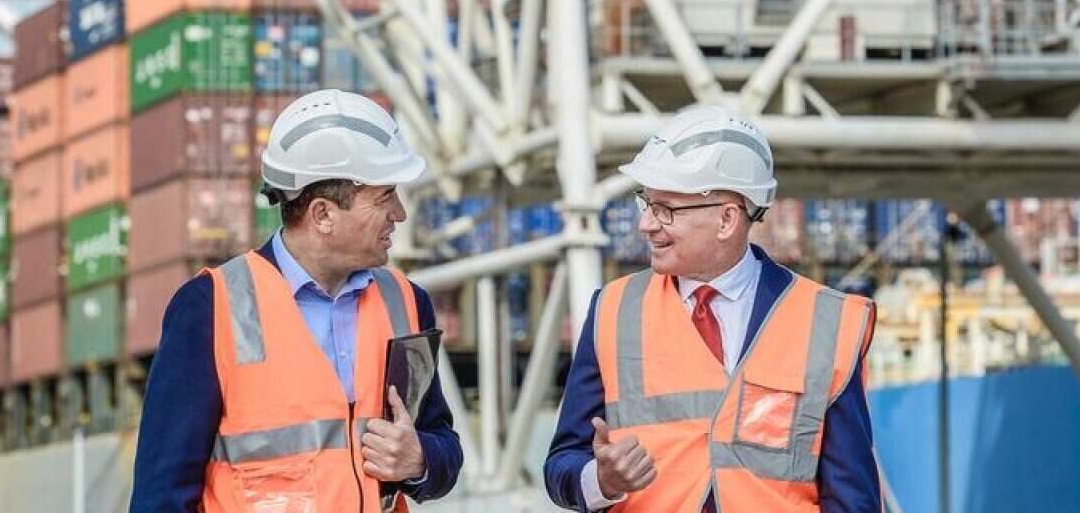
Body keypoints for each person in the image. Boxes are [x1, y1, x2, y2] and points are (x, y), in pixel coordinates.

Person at [130, 89, 462, 512]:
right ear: (322, 214)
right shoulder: (211, 308)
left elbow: (443, 447)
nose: (399, 213)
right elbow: (160, 496)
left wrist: (420, 461)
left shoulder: (407, 302)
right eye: (385, 197)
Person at [544, 105, 880, 512]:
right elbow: (561, 466)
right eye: (645, 203)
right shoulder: (613, 311)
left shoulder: (829, 323)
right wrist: (600, 480)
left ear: (726, 219)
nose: (646, 224)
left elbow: (852, 498)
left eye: (665, 209)